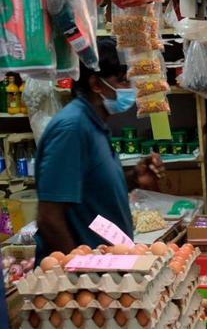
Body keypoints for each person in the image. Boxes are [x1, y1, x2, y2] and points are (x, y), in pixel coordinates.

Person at [34, 38, 165, 260]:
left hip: (105, 264)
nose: (131, 90)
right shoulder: (72, 128)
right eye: (123, 82)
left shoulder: (94, 123)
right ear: (96, 84)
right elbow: (50, 217)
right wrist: (80, 269)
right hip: (86, 275)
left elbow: (89, 191)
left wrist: (133, 178)